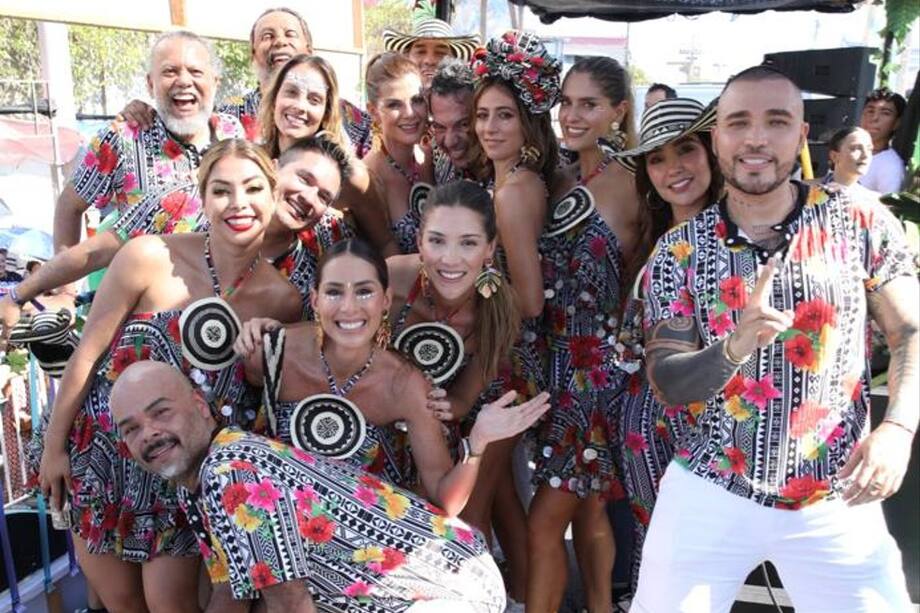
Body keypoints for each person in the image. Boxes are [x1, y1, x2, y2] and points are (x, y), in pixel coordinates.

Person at [634, 65, 918, 612]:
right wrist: (734, 347)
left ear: (802, 135)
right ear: (717, 138)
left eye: (777, 121)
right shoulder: (679, 250)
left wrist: (899, 430)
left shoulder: (857, 218)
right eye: (738, 122)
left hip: (836, 489)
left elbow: (910, 331)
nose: (756, 138)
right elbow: (668, 381)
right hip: (710, 487)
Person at [34, 139, 302, 612]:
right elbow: (87, 356)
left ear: (273, 195)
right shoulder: (147, 256)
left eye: (253, 188)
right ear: (203, 197)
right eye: (221, 191)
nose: (238, 204)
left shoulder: (283, 300)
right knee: (121, 604)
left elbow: (257, 398)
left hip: (181, 475)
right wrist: (54, 449)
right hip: (102, 457)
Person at [110, 360, 510, 613]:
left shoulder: (233, 475)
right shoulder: (199, 478)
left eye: (161, 412)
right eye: (132, 429)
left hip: (447, 594)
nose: (150, 434)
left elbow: (290, 604)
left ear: (200, 405)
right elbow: (232, 591)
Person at [236, 236, 549, 513]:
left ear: (385, 301)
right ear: (315, 300)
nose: (348, 307)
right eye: (334, 292)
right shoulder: (273, 353)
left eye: (363, 292)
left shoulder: (405, 383)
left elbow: (445, 499)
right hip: (277, 524)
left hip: (365, 536)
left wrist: (477, 443)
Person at [386, 180, 539, 606]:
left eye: (468, 243)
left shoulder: (498, 304)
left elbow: (465, 401)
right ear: (419, 241)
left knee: (467, 519)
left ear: (490, 248)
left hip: (478, 406)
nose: (450, 259)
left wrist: (443, 407)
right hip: (387, 409)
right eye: (437, 241)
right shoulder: (392, 278)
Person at [526, 56, 639, 613]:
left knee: (545, 522)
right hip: (554, 367)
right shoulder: (562, 174)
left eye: (588, 103)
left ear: (618, 111)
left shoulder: (639, 184)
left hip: (597, 378)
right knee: (590, 510)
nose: (571, 115)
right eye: (566, 102)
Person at [609, 97, 721, 594]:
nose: (673, 168)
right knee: (655, 550)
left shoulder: (733, 235)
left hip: (708, 422)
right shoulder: (654, 237)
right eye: (657, 158)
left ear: (712, 152)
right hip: (642, 425)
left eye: (686, 150)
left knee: (702, 552)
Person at [469, 30, 560, 611]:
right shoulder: (508, 182)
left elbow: (528, 301)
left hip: (507, 362)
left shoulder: (514, 192)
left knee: (473, 506)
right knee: (501, 498)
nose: (489, 127)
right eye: (482, 115)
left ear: (529, 121)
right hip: (504, 356)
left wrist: (467, 280)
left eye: (505, 115)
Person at [54, 30, 241, 252]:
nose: (183, 81)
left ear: (215, 82)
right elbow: (69, 205)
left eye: (196, 71)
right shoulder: (121, 138)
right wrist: (65, 287)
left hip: (228, 284)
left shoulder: (234, 132)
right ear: (150, 84)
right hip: (142, 284)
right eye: (170, 71)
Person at [119, 8, 373, 158]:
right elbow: (181, 118)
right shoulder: (226, 117)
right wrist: (140, 109)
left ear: (309, 48)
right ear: (253, 53)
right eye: (267, 36)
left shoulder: (354, 119)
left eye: (290, 34)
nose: (279, 42)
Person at [362, 52, 434, 254]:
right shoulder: (368, 178)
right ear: (374, 111)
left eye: (417, 100)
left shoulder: (432, 158)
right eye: (394, 105)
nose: (410, 113)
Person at [383, 11, 479, 89]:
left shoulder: (468, 107)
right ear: (407, 57)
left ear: (454, 61)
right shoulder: (392, 107)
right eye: (420, 52)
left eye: (440, 53)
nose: (429, 61)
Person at [430, 58, 476, 184]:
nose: (450, 142)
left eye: (463, 124)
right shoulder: (433, 164)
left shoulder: (511, 185)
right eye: (440, 127)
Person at [859, 87, 907, 194]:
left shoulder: (891, 167)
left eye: (885, 113)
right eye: (870, 111)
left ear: (897, 123)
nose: (875, 117)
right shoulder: (844, 151)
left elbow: (888, 208)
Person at [824, 126, 877, 199]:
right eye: (855, 148)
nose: (865, 155)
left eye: (869, 149)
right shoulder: (808, 193)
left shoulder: (873, 200)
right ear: (834, 156)